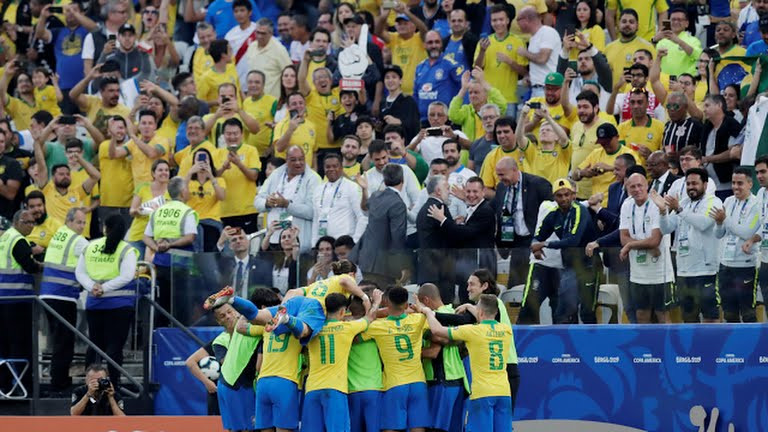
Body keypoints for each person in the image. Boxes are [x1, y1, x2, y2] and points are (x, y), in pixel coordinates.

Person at [422, 294, 512, 432]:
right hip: (504, 393)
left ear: (480, 312)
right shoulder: (506, 330)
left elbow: (437, 330)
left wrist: (428, 312)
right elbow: (484, 314)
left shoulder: (473, 331)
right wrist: (470, 306)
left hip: (482, 394)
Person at [301, 290, 383, 432]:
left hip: (312, 389)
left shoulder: (313, 330)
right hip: (335, 390)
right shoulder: (348, 328)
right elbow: (370, 317)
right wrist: (376, 302)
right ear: (342, 311)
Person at [76, 215, 139, 386]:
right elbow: (127, 275)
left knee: (95, 345)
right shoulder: (127, 249)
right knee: (114, 346)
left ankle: (90, 384)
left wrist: (93, 287)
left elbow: (80, 273)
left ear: (105, 228)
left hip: (95, 303)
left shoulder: (91, 246)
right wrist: (106, 288)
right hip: (120, 304)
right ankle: (113, 384)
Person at [655, 167, 722, 323]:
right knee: (688, 317)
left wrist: (679, 209)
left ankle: (711, 348)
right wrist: (663, 212)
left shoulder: (714, 201)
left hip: (706, 270)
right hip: (684, 271)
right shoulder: (684, 203)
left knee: (710, 317)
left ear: (705, 185)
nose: (691, 187)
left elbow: (704, 224)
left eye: (695, 183)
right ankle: (695, 348)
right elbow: (666, 228)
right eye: (688, 183)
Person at [530, 178, 599, 324]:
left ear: (573, 195)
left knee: (587, 311)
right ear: (554, 197)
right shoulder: (554, 214)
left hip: (588, 266)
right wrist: (535, 245)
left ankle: (593, 345)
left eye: (567, 194)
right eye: (559, 195)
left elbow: (573, 241)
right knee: (564, 310)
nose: (564, 199)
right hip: (570, 267)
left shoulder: (580, 210)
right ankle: (567, 345)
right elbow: (538, 235)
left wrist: (543, 244)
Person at [39, 207, 89, 393]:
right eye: (79, 222)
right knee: (64, 341)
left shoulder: (59, 234)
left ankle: (57, 379)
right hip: (62, 295)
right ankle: (59, 383)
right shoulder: (78, 241)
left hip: (48, 294)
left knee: (60, 340)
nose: (82, 226)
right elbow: (95, 258)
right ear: (69, 221)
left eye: (84, 222)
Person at [619, 173, 674, 324]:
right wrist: (647, 246)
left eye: (640, 185)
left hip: (660, 272)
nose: (637, 189)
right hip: (638, 273)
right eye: (632, 186)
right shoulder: (626, 204)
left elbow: (655, 240)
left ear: (647, 186)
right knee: (641, 314)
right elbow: (623, 237)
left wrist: (631, 244)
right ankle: (645, 348)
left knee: (662, 315)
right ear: (628, 188)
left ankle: (667, 347)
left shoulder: (657, 204)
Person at [491, 157, 552, 287]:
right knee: (515, 285)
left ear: (514, 170)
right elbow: (494, 209)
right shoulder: (501, 187)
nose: (500, 178)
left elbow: (553, 211)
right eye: (498, 175)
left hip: (535, 240)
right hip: (516, 242)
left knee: (535, 284)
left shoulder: (538, 184)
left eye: (502, 174)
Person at [415, 283, 467, 432]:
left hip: (442, 380)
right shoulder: (451, 311)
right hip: (457, 380)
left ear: (426, 301)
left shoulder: (436, 317)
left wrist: (408, 352)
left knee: (437, 429)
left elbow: (434, 352)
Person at [0, 210, 42, 393]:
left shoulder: (5, 237)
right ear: (18, 222)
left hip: (3, 299)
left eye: (33, 223)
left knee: (4, 345)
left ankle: (5, 384)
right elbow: (30, 266)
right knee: (21, 344)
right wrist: (42, 265)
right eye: (28, 222)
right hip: (17, 301)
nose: (31, 226)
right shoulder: (18, 240)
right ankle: (24, 387)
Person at [713, 167, 760, 323]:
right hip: (725, 265)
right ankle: (733, 347)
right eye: (733, 183)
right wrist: (719, 224)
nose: (735, 187)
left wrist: (725, 219)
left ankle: (752, 347)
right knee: (729, 313)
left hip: (745, 266)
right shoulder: (728, 201)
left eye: (740, 183)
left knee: (748, 313)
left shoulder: (756, 204)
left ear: (749, 184)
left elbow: (747, 233)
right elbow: (719, 234)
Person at [254, 145, 321, 252]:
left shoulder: (313, 179)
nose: (298, 163)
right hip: (274, 240)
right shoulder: (276, 174)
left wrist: (286, 205)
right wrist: (267, 203)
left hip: (298, 242)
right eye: (293, 160)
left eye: (301, 159)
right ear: (287, 161)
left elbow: (312, 212)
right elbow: (257, 201)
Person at [352, 164, 409, 287]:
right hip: (384, 265)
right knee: (383, 299)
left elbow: (364, 207)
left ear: (384, 179)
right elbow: (397, 237)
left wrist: (364, 190)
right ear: (402, 180)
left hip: (366, 258)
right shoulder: (398, 204)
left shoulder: (376, 195)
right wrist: (402, 265)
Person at [473, 4, 527, 118]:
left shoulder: (518, 41)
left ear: (507, 20)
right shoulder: (485, 42)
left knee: (506, 132)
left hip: (508, 99)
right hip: (487, 98)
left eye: (501, 19)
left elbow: (524, 72)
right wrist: (482, 51)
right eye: (494, 20)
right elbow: (477, 68)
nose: (498, 23)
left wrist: (510, 62)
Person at [185, 303, 237, 416]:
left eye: (230, 312)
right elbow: (190, 362)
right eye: (223, 316)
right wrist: (207, 382)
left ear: (237, 312)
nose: (228, 316)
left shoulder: (250, 334)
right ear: (219, 322)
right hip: (220, 395)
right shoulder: (219, 341)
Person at [573, 123, 638, 206]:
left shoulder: (628, 154)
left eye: (608, 142)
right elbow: (575, 175)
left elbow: (636, 175)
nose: (605, 145)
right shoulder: (596, 153)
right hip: (595, 204)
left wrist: (610, 168)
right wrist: (583, 173)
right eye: (602, 143)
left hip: (616, 204)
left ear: (617, 137)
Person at [311, 153, 367, 245]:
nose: (331, 169)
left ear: (341, 168)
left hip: (344, 243)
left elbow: (362, 217)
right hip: (324, 245)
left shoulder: (352, 187)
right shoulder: (318, 190)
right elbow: (316, 220)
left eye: (335, 166)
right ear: (324, 169)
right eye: (328, 167)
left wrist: (355, 241)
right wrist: (314, 244)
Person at [417, 175, 457, 303]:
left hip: (428, 269)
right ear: (438, 191)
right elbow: (452, 235)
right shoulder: (439, 209)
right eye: (447, 188)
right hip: (441, 272)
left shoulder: (424, 209)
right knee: (443, 310)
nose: (450, 192)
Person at [375, 2, 428, 96]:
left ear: (413, 26)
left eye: (405, 23)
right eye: (399, 23)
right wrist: (385, 14)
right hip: (397, 93)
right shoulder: (394, 38)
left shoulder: (419, 38)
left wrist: (406, 12)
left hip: (417, 92)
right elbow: (378, 31)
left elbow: (423, 29)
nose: (401, 26)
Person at [413, 30, 464, 123]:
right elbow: (416, 95)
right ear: (424, 45)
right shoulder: (420, 67)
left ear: (441, 44)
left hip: (445, 121)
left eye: (437, 42)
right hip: (424, 121)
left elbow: (464, 87)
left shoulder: (451, 65)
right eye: (430, 42)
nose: (434, 46)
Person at [515, 104, 571, 185]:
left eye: (548, 130)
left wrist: (547, 117)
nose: (544, 131)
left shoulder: (562, 153)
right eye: (541, 130)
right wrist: (523, 116)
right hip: (536, 195)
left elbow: (564, 139)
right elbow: (519, 138)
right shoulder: (533, 152)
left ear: (556, 136)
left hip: (556, 194)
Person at [700, 94, 743, 200]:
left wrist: (708, 159)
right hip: (709, 183)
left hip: (727, 183)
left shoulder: (731, 124)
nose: (704, 110)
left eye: (707, 105)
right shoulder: (707, 126)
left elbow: (733, 153)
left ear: (719, 105)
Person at [449, 68, 506, 143]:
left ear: (486, 94)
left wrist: (483, 82)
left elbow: (502, 104)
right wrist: (463, 89)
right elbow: (453, 115)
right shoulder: (466, 110)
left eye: (476, 92)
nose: (472, 95)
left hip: (491, 148)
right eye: (470, 93)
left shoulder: (493, 108)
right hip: (470, 151)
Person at [516, 6, 561, 99]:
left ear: (526, 20)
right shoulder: (533, 37)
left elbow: (542, 58)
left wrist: (525, 53)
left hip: (547, 89)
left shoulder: (547, 32)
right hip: (536, 89)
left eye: (518, 20)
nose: (517, 24)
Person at [243, 18, 292, 99]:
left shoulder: (279, 50)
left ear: (271, 33)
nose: (259, 36)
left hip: (274, 101)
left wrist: (284, 99)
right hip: (254, 100)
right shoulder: (251, 47)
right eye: (257, 32)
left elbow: (290, 75)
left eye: (263, 33)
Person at [616, 87, 665, 163]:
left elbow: (664, 157)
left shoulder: (660, 127)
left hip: (651, 174)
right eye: (632, 102)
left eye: (640, 102)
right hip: (628, 173)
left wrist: (651, 155)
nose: (636, 106)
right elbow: (618, 155)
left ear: (647, 104)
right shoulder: (621, 128)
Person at [378, 64, 421, 143]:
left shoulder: (408, 101)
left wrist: (399, 122)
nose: (390, 80)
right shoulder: (383, 102)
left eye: (394, 77)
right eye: (387, 77)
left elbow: (414, 124)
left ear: (400, 81)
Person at [653, 8, 702, 76]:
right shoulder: (662, 41)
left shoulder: (694, 40)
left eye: (679, 20)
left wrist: (679, 42)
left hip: (685, 82)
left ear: (686, 23)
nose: (676, 22)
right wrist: (654, 40)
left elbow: (698, 56)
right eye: (673, 19)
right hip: (664, 81)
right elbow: (652, 58)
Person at [662, 92, 704, 157]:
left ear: (686, 107)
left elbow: (701, 151)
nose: (672, 109)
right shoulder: (667, 126)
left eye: (676, 106)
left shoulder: (696, 125)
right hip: (669, 165)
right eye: (669, 106)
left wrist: (680, 156)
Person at [468, 104, 500, 172]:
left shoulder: (505, 142)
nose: (488, 121)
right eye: (485, 118)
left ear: (498, 118)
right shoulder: (475, 144)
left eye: (491, 117)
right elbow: (470, 172)